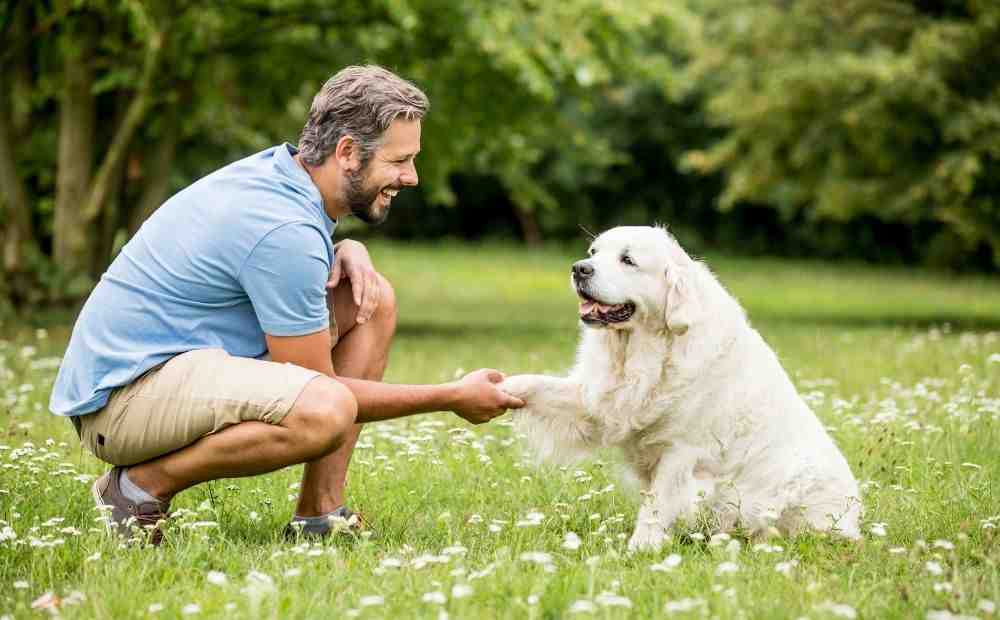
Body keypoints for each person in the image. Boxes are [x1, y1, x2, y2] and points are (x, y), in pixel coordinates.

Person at [48, 65, 524, 545]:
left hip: (165, 369)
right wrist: (450, 395)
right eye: (400, 160)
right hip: (121, 403)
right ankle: (135, 491)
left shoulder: (285, 176)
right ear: (347, 153)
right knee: (325, 409)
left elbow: (266, 262)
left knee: (371, 300)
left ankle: (320, 512)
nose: (412, 177)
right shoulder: (284, 229)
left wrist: (345, 249)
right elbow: (320, 387)